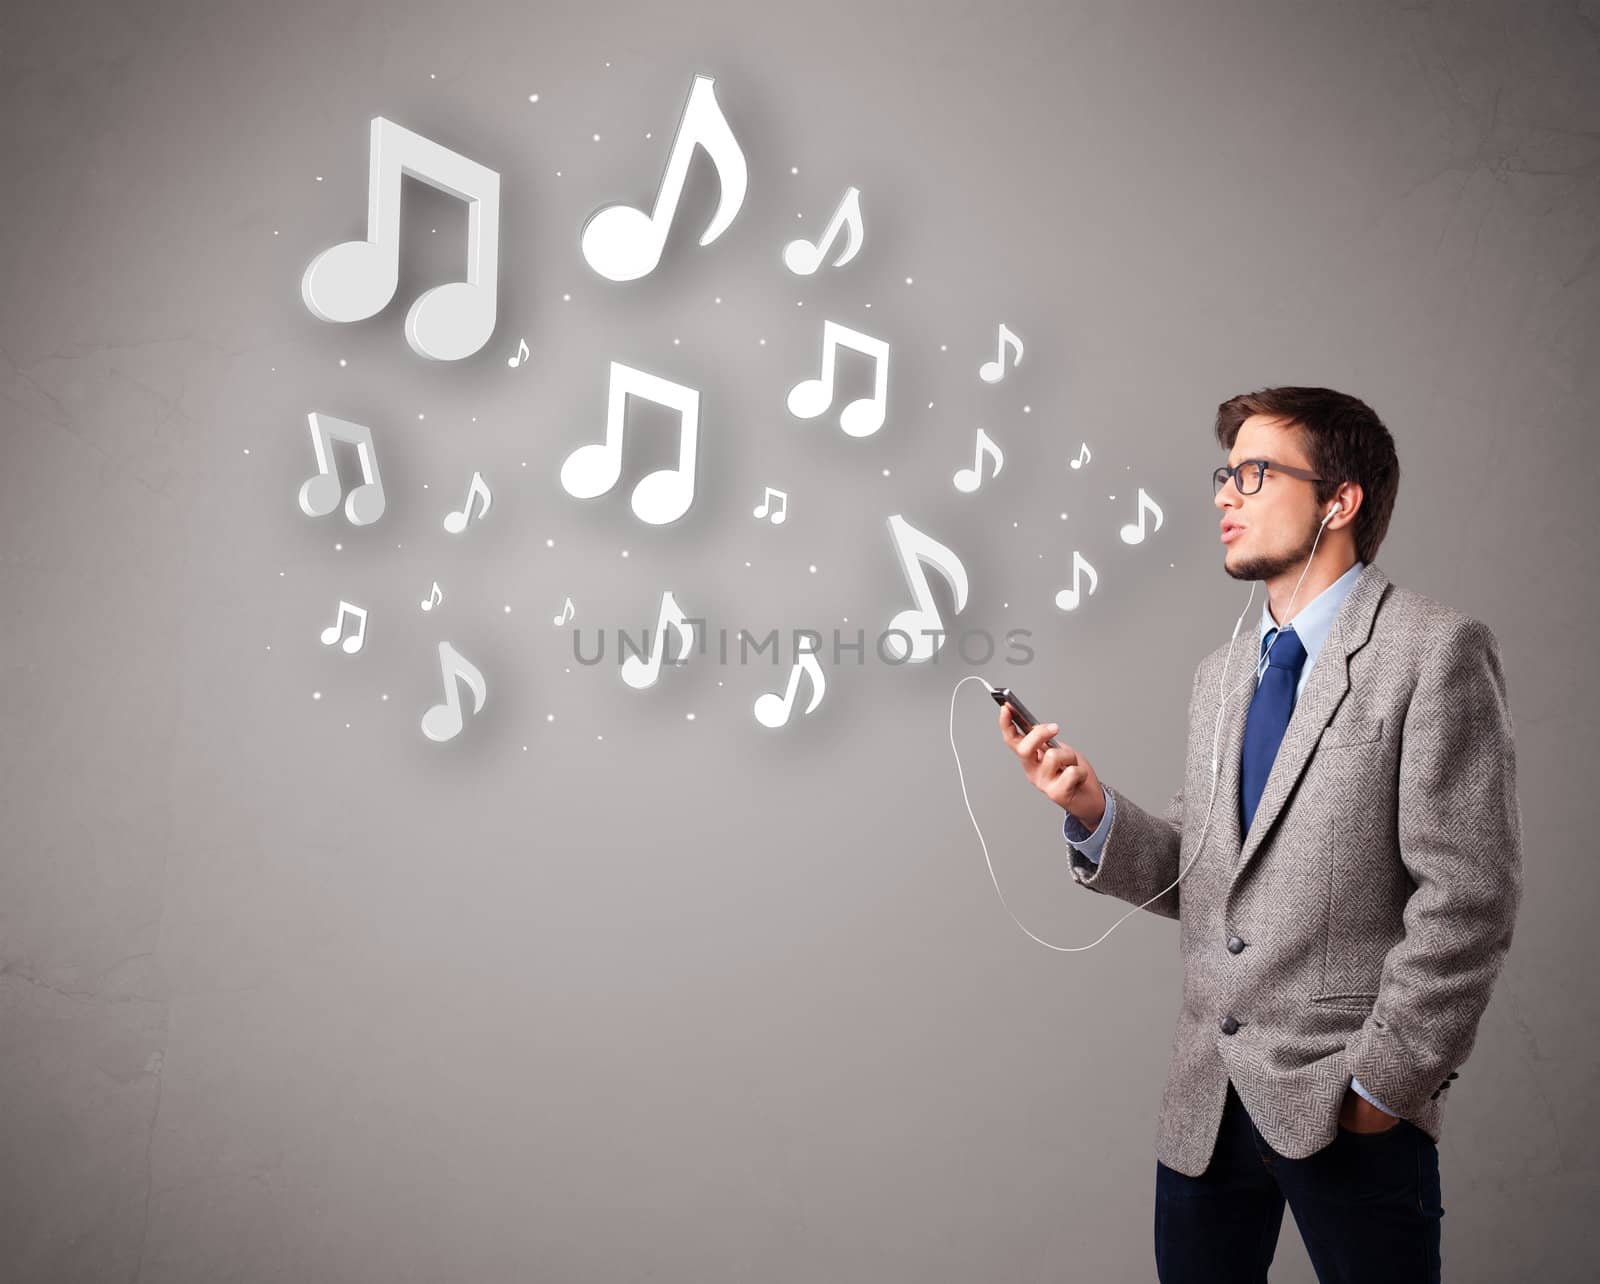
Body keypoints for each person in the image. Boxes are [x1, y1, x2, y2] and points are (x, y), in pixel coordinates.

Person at [999, 387, 1522, 1283]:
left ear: (1339, 500)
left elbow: (1470, 896)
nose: (1223, 497)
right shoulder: (1222, 674)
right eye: (1223, 474)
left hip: (1346, 1101)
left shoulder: (1434, 650)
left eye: (1253, 473)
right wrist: (1091, 811)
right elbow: (1213, 880)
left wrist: (1380, 1087)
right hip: (1204, 1105)